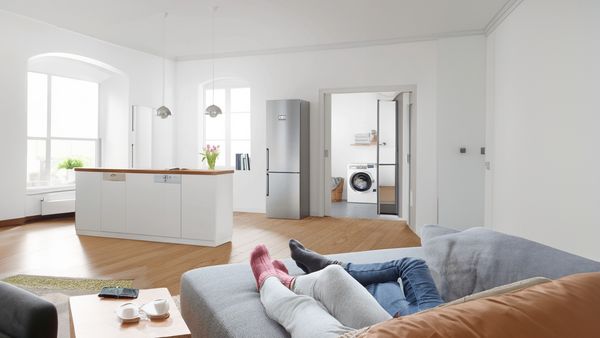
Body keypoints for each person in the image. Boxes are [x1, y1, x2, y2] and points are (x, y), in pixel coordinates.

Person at [250, 244, 443, 338]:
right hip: (427, 328)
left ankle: (267, 279)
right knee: (333, 274)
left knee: (302, 309)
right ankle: (291, 282)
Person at [288, 239, 443, 317]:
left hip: (429, 323)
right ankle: (332, 267)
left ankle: (333, 266)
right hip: (446, 314)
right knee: (411, 265)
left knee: (383, 282)